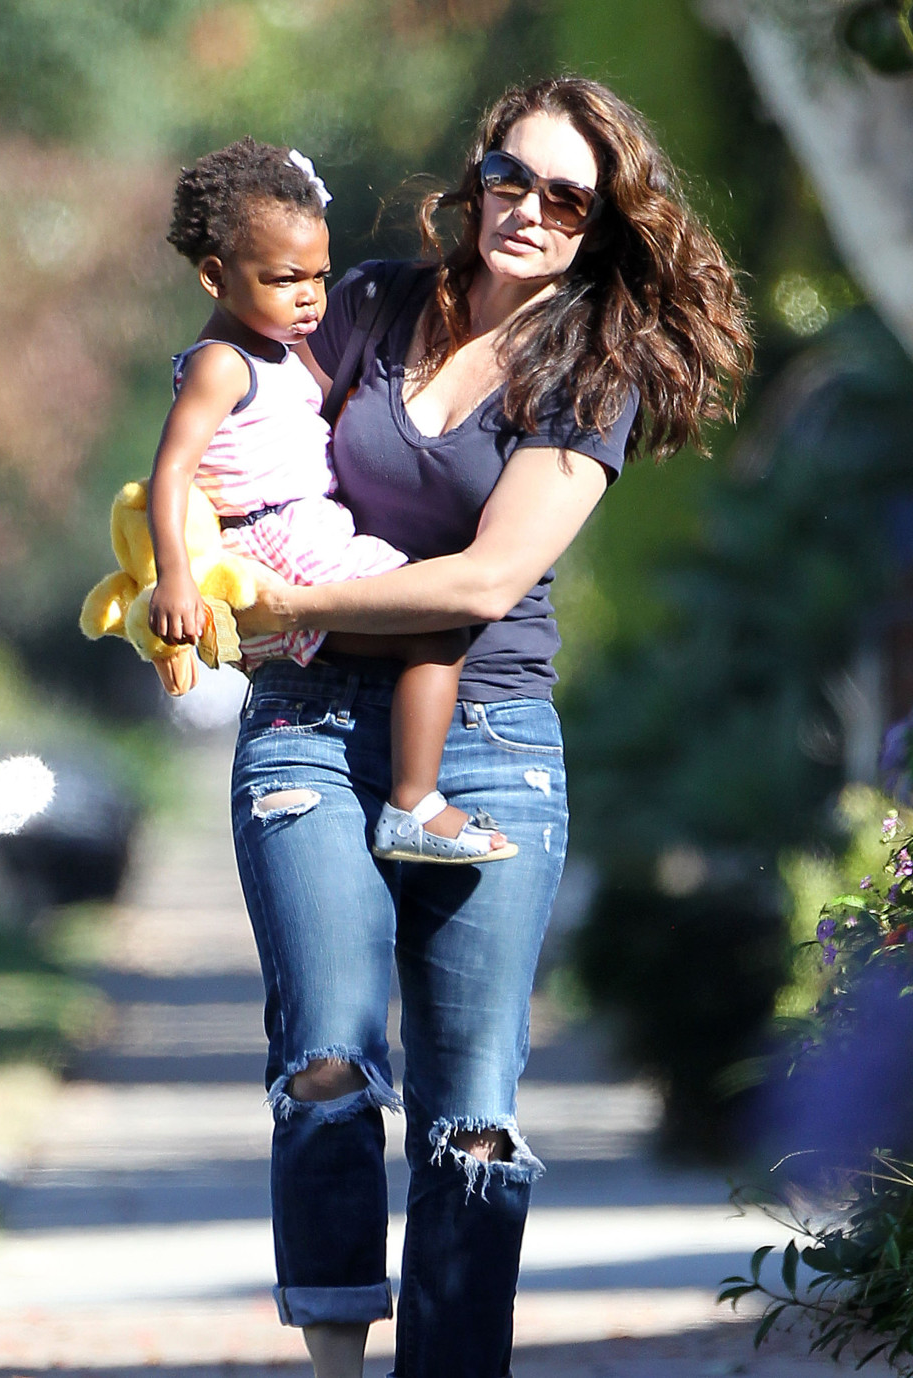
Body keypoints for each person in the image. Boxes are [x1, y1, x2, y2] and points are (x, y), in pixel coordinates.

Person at [231, 77, 753, 1378]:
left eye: (568, 196)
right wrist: (196, 548)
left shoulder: (593, 370)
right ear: (477, 179)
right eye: (512, 177)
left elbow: (483, 581)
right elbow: (245, 419)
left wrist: (289, 602)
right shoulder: (365, 304)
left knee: (470, 1121)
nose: (530, 209)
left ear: (602, 222)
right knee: (329, 1058)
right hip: (307, 718)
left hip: (491, 743)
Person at [147, 137, 513, 863]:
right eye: (285, 279)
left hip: (308, 534)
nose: (311, 296)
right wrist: (175, 577)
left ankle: (396, 788)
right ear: (216, 277)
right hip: (275, 543)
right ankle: (414, 804)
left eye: (319, 275)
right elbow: (170, 473)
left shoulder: (278, 352)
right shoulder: (222, 365)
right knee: (435, 626)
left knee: (419, 626)